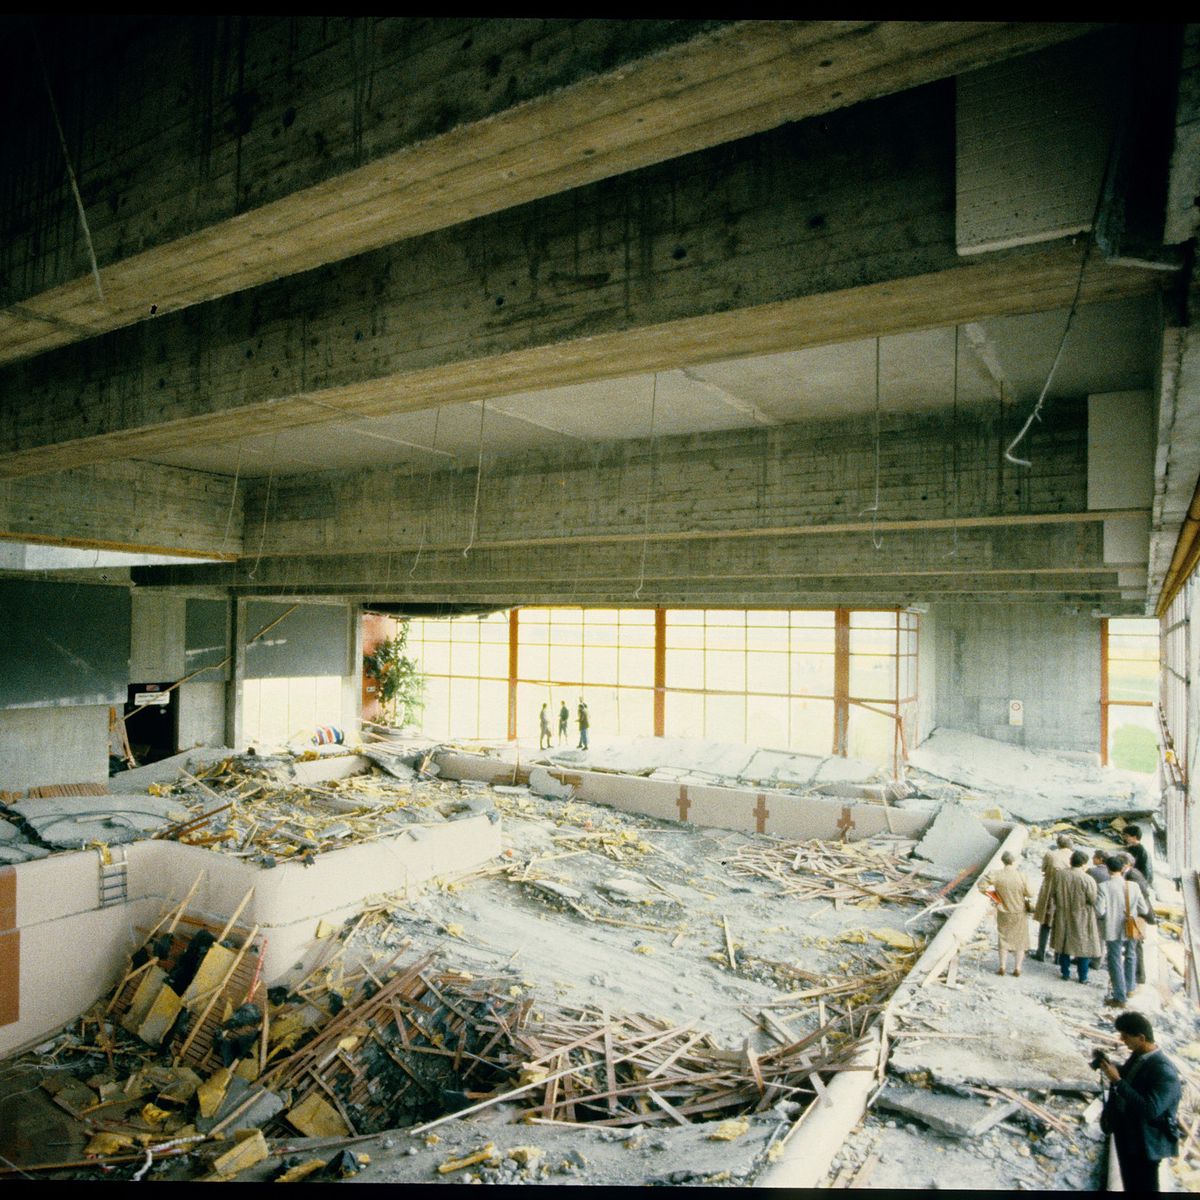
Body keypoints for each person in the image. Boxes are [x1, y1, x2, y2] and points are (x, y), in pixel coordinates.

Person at [1097, 1010, 1182, 1192]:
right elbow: (1132, 1080)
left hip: (1145, 1144)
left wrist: (1117, 1081)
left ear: (1141, 1037)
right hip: (1127, 1134)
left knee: (1145, 1188)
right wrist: (1110, 1066)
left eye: (1126, 1036)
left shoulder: (1164, 1071)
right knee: (1130, 1185)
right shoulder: (1139, 1056)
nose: (1122, 1040)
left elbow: (1150, 1109)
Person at [1096, 854, 1150, 1008]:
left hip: (1112, 927)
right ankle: (1130, 987)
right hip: (1130, 926)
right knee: (1131, 955)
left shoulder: (1104, 886)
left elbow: (1100, 911)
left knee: (1114, 959)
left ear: (1108, 869)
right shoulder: (1133, 886)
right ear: (1123, 868)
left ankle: (1119, 996)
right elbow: (1144, 909)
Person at [977, 850, 1034, 976]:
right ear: (1014, 861)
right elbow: (1030, 893)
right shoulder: (1021, 876)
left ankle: (1002, 966)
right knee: (1020, 941)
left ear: (1003, 861)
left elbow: (981, 886)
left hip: (1003, 910)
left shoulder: (996, 874)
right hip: (1019, 911)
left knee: (1003, 939)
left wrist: (995, 897)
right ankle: (1017, 968)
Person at [1050, 849, 1102, 983]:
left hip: (1063, 912)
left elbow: (1053, 893)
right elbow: (1092, 899)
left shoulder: (1059, 875)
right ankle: (1082, 976)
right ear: (1084, 863)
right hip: (1082, 915)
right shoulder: (1088, 879)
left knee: (1064, 943)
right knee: (1083, 945)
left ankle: (1065, 973)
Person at [1032, 834, 1073, 962]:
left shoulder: (1050, 855)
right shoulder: (1074, 856)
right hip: (1067, 892)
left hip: (1050, 889)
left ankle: (1041, 951)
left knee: (1046, 921)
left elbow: (1043, 869)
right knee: (1062, 923)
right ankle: (1058, 955)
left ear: (1058, 844)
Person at [1120, 852, 1157, 986]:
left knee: (1135, 946)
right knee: (1135, 946)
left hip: (1137, 915)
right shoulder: (1133, 873)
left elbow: (1138, 896)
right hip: (1138, 913)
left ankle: (1138, 975)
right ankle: (1137, 974)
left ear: (1126, 864)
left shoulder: (1132, 876)